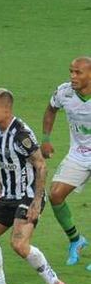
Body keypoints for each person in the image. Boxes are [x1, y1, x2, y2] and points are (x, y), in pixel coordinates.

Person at [0, 89, 68, 284]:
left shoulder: (21, 135)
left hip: (27, 196)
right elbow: (3, 163)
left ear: (6, 109)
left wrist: (37, 201)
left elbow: (41, 165)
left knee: (19, 244)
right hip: (8, 194)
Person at [40, 57, 91, 267]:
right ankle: (76, 240)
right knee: (56, 195)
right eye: (71, 71)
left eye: (78, 72)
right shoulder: (64, 92)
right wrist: (46, 139)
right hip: (79, 153)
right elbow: (51, 109)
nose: (72, 76)